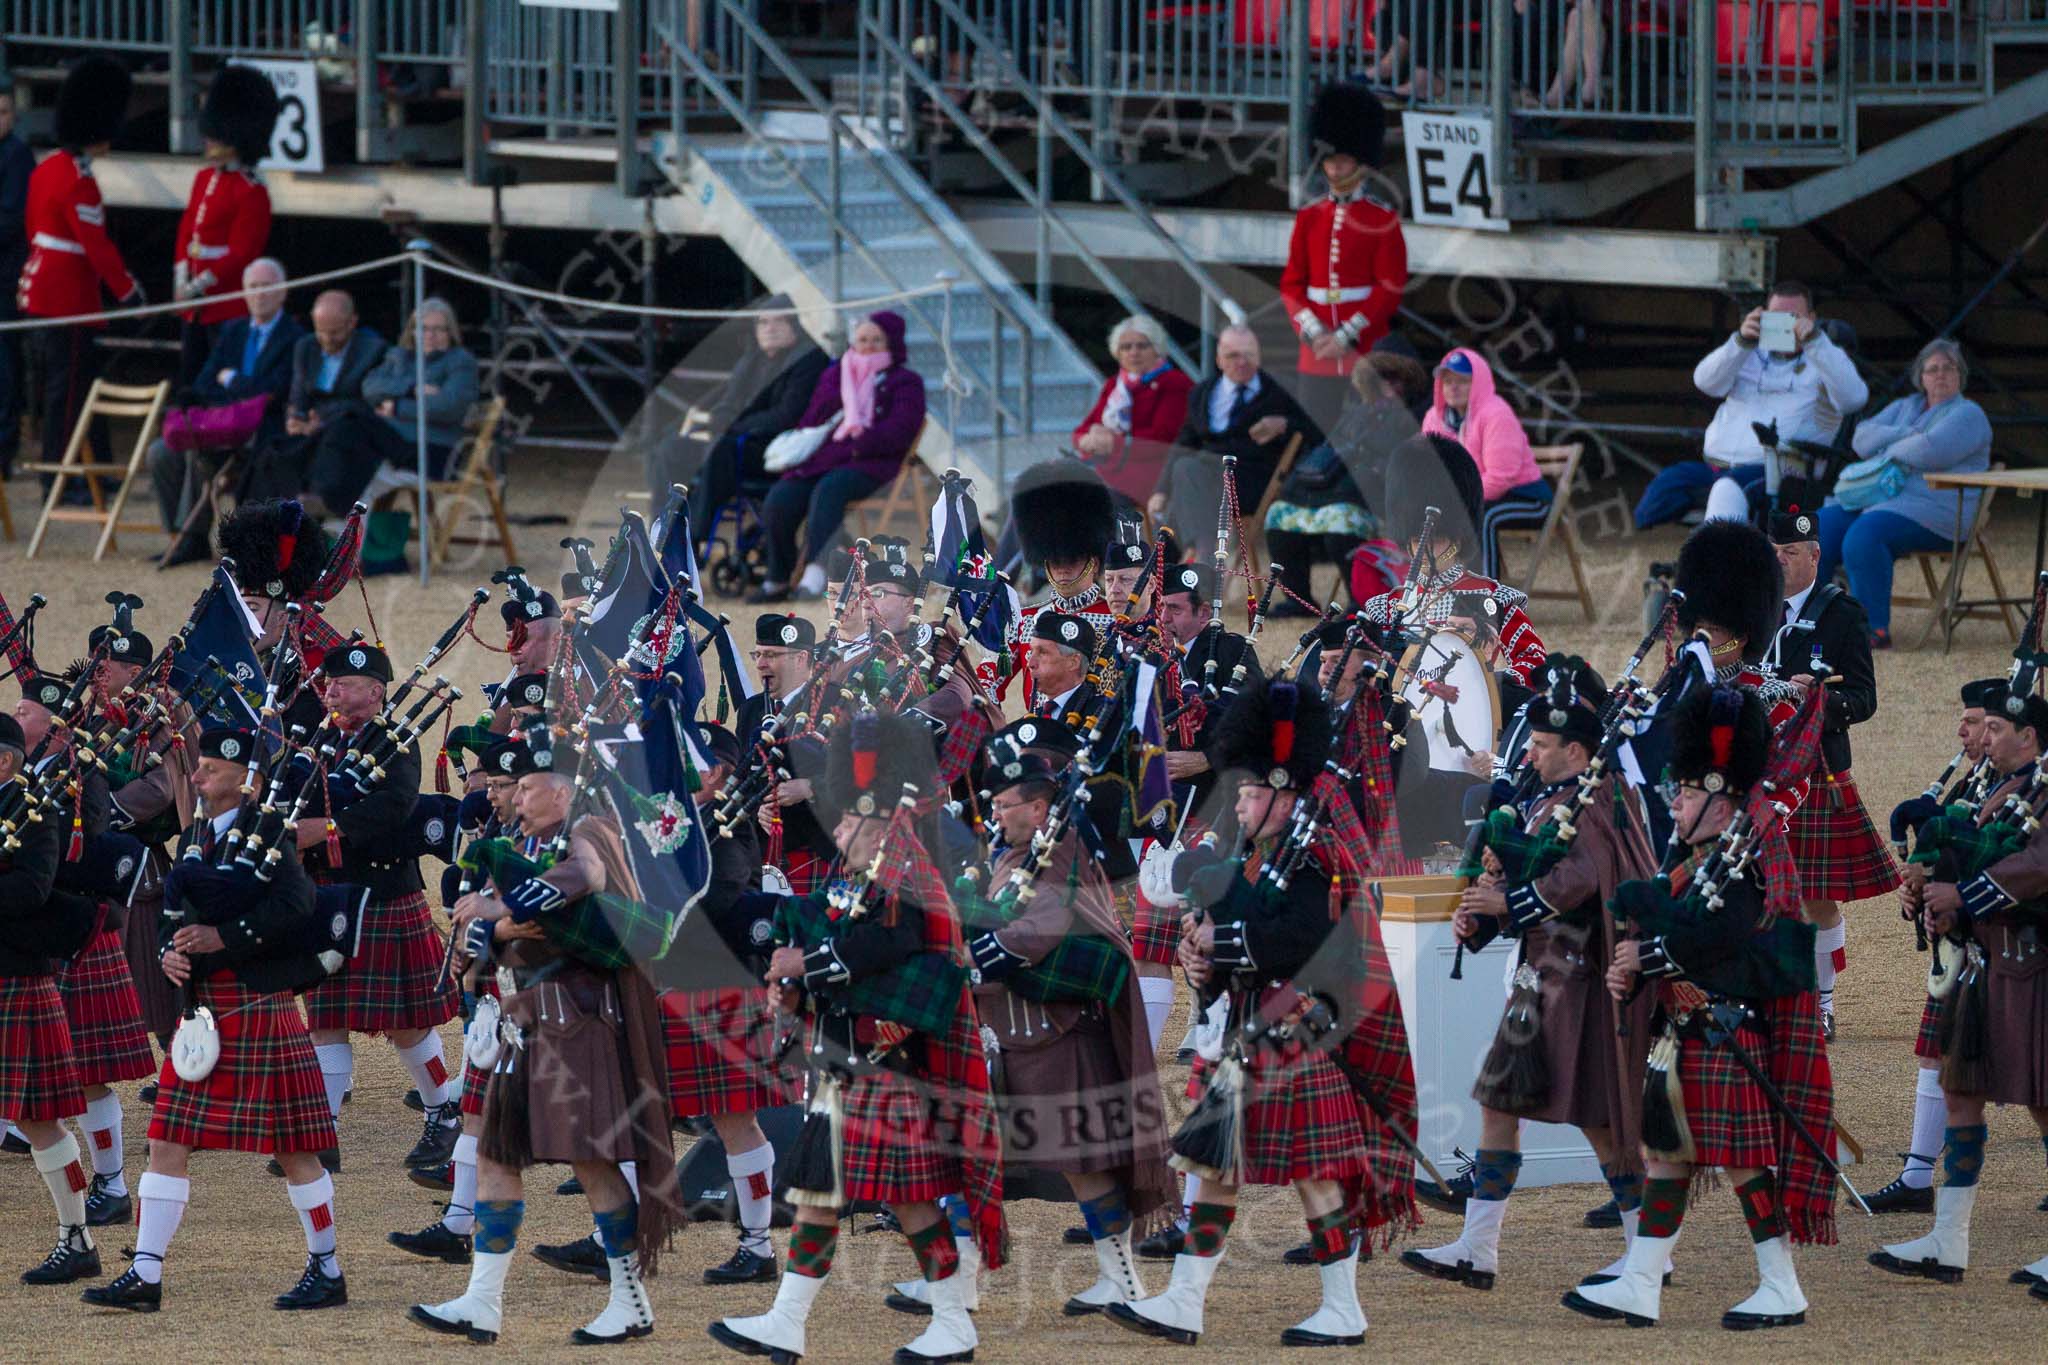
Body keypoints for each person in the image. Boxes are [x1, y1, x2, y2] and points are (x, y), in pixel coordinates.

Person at [1110, 674, 1419, 1348]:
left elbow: (1301, 940)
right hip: (1254, 1030)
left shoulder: (1315, 855)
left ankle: (1342, 1308)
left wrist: (1219, 941)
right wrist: (1202, 963)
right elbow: (1239, 938)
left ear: (1285, 793)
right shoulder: (1256, 855)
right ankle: (1186, 1301)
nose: (1241, 805)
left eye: (1251, 794)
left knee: (1313, 1175)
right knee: (1218, 1168)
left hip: (1296, 1030)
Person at [709, 712, 1005, 1365]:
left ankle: (954, 1323)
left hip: (887, 1062)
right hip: (848, 1062)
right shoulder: (863, 870)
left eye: (847, 821)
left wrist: (807, 965)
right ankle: (786, 1322)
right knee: (819, 1194)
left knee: (912, 1199)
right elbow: (835, 930)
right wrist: (794, 978)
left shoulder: (906, 865)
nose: (838, 830)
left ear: (877, 820)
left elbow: (896, 944)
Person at [1575, 683, 1833, 1332]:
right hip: (1689, 1032)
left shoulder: (1745, 864)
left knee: (1744, 1163)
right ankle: (1641, 1283)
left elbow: (1720, 938)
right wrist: (1639, 959)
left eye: (1687, 795)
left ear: (1720, 801)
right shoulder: (1701, 860)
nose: (1676, 804)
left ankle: (1781, 1286)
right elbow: (1684, 931)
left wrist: (1647, 954)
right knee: (1667, 1157)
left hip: (1726, 1031)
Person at [412, 729, 681, 1346]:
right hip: (522, 1022)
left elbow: (586, 877)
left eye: (528, 787)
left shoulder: (589, 830)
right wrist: (484, 936)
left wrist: (499, 916)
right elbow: (493, 940)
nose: (516, 797)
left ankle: (630, 1301)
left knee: (593, 1162)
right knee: (495, 1155)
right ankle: (482, 1302)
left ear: (561, 791)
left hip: (575, 1023)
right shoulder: (521, 843)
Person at [1406, 657, 1657, 1295]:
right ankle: (1477, 1248)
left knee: (1600, 1120)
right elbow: (1530, 873)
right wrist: (1482, 918)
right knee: (1499, 1101)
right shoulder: (1547, 798)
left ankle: (1648, 1252)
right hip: (1537, 979)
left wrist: (1506, 903)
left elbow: (1583, 880)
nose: (1530, 753)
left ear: (1575, 750)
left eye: (1542, 745)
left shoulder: (1601, 800)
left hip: (1581, 977)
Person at [81, 727, 348, 1314]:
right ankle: (145, 1273)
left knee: (295, 1148)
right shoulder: (198, 832)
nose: (197, 777)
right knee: (165, 1139)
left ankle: (326, 1268)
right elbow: (175, 914)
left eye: (209, 769)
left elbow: (297, 906)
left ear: (246, 779)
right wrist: (168, 953)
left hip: (255, 1005)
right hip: (203, 1010)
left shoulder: (269, 830)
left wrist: (223, 937)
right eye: (198, 767)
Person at [937, 748, 1175, 1317]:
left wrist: (966, 961)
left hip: (1054, 1032)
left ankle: (1122, 1282)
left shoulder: (1060, 853)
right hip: (1009, 1031)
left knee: (1081, 1163)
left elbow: (1034, 933)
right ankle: (956, 1283)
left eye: (1005, 804)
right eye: (994, 803)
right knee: (968, 1155)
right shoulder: (1010, 853)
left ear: (1039, 807)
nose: (996, 813)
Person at [1879, 679, 2048, 1293]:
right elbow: (1968, 855)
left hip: (2031, 964)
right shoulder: (1990, 785)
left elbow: (2036, 867)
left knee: (2045, 1102)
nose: (1984, 738)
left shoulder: (2044, 790)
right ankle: (1948, 1239)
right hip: (1984, 963)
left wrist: (1964, 897)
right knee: (1960, 1091)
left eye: (1997, 728)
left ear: (2029, 736)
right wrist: (1938, 902)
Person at [289, 644, 461, 1174]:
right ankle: (324, 1133)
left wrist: (328, 829)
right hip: (328, 894)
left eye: (343, 683)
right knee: (325, 1020)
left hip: (383, 893)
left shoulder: (396, 742)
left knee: (406, 1025)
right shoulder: (318, 738)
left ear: (376, 692)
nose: (332, 690)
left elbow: (395, 807)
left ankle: (443, 1112)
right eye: (329, 682)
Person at [656, 720, 798, 1287]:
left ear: (716, 771)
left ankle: (758, 1245)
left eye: (688, 760)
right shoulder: (673, 820)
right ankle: (613, 1234)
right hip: (670, 984)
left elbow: (718, 897)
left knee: (735, 1120)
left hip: (720, 989)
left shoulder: (730, 827)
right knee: (634, 1112)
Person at [1762, 506, 1896, 1039]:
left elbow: (1863, 699)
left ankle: (1822, 1003)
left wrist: (1818, 698)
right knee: (1751, 887)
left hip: (1814, 768)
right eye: (1773, 552)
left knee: (1815, 895)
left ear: (1815, 555)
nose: (1780, 561)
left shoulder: (1842, 614)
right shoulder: (1751, 605)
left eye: (1791, 553)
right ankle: (1770, 998)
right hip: (1755, 764)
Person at [1867, 677, 1999, 1215]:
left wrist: (1952, 894)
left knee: (2033, 1074)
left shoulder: (2024, 791)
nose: (1962, 731)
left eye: (1975, 722)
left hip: (2009, 945)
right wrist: (1918, 892)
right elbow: (1947, 855)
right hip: (1964, 946)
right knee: (1937, 1055)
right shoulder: (1972, 783)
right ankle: (1918, 1177)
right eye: (1964, 721)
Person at [0, 710, 101, 1289]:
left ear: (4, 760)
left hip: (14, 978)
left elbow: (32, 890)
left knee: (38, 1119)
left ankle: (77, 1237)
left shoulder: (34, 811)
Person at [1635, 281, 1866, 530]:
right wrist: (1741, 341)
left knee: (1729, 488)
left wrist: (1814, 341)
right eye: (1776, 317)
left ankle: (1719, 553)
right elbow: (1704, 382)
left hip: (1782, 473)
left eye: (1793, 317)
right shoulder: (1748, 352)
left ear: (1811, 318)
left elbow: (1854, 399)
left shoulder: (1826, 358)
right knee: (1661, 492)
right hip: (1718, 465)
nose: (1785, 325)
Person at [1818, 338, 1992, 649]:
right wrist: (1907, 434)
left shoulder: (1969, 414)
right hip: (1879, 500)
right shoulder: (1905, 407)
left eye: (1949, 368)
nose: (1941, 374)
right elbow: (1860, 440)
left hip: (1937, 511)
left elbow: (1931, 450)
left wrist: (1886, 447)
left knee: (1864, 536)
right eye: (1933, 369)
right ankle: (1809, 621)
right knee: (1816, 529)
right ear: (1920, 377)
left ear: (1961, 375)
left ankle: (1871, 629)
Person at [18, 57, 142, 489]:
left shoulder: (48, 167)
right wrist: (127, 292)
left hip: (41, 289)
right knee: (69, 395)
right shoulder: (78, 179)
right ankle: (63, 480)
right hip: (67, 297)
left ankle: (91, 473)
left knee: (76, 388)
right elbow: (97, 247)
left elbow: (33, 228)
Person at [753, 311, 926, 602]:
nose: (868, 346)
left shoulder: (905, 382)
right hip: (826, 458)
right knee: (781, 497)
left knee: (829, 490)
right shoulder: (836, 374)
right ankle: (778, 576)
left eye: (876, 340)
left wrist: (858, 442)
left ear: (891, 343)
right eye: (862, 340)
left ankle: (817, 571)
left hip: (872, 461)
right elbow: (812, 419)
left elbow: (900, 431)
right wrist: (845, 391)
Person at [150, 257, 304, 563]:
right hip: (221, 424)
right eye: (253, 287)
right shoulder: (233, 330)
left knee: (198, 453)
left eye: (267, 286)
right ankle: (183, 538)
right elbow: (204, 383)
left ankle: (191, 537)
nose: (259, 294)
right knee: (160, 452)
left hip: (262, 430)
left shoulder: (296, 337)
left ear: (283, 291)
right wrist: (240, 391)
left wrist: (232, 380)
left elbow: (277, 390)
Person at [1265, 338, 1427, 614]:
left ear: (1409, 380)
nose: (1387, 384)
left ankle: (1361, 597)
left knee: (1341, 522)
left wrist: (1364, 449)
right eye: (1380, 377)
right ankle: (1298, 600)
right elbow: (1330, 450)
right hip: (1334, 492)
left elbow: (1403, 462)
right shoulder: (1358, 411)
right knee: (1278, 516)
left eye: (1395, 377)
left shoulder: (1415, 415)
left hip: (1380, 498)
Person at [1280, 82, 1406, 431]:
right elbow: (1292, 284)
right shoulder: (1309, 217)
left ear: (1361, 163)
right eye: (1330, 162)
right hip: (1316, 353)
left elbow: (1389, 288)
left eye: (1343, 161)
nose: (1335, 170)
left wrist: (1345, 336)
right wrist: (1313, 333)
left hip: (1363, 350)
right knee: (1314, 434)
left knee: (1367, 436)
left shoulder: (1381, 219)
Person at [652, 296, 827, 528]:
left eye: (779, 321)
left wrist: (731, 427)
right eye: (763, 322)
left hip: (773, 449)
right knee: (671, 448)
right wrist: (719, 421)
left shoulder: (808, 361)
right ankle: (666, 530)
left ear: (794, 325)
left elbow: (787, 416)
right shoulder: (751, 360)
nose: (770, 329)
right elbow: (729, 403)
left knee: (720, 450)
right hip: (733, 441)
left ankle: (695, 531)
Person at [1151, 325, 1320, 556]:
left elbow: (1316, 431)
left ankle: (1184, 564)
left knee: (1186, 477)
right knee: (1187, 476)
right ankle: (1195, 563)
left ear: (1258, 357)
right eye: (1232, 356)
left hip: (1253, 480)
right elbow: (1184, 443)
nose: (1241, 362)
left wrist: (1284, 424)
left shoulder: (1282, 390)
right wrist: (1161, 490)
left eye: (1248, 355)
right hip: (1204, 478)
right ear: (1219, 360)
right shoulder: (1202, 393)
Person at [314, 296, 481, 515]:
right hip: (391, 444)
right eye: (423, 328)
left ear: (451, 332)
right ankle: (328, 498)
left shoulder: (460, 361)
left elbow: (448, 407)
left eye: (439, 329)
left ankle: (327, 499)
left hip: (431, 450)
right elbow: (370, 386)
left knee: (351, 423)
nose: (430, 335)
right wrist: (412, 389)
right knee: (347, 429)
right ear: (413, 332)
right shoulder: (400, 356)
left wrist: (397, 408)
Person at [173, 64, 278, 386]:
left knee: (220, 382)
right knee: (189, 378)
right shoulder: (204, 178)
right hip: (195, 303)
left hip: (225, 303)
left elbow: (242, 252)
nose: (207, 141)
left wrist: (198, 285)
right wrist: (181, 277)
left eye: (215, 136)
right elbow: (187, 230)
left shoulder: (251, 191)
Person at [244, 289, 388, 503]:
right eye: (321, 331)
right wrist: (296, 418)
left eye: (335, 332)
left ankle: (319, 501)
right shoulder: (306, 347)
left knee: (335, 442)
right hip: (310, 429)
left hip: (348, 431)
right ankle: (257, 512)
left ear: (352, 323)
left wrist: (322, 423)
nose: (327, 339)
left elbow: (365, 403)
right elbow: (298, 394)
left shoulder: (373, 351)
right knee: (270, 452)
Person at [999, 458, 1120, 706]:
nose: (1063, 568)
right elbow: (987, 683)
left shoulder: (1118, 621)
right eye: (1055, 561)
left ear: (1094, 562)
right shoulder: (1024, 621)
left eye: (1072, 560)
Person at [1422, 348, 1549, 582]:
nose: (1453, 387)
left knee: (1484, 516)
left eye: (1462, 381)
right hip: (1472, 497)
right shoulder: (1434, 417)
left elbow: (1501, 478)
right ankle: (1432, 592)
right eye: (1447, 381)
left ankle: (1483, 593)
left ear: (1478, 383)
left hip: (1526, 498)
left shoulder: (1496, 414)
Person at [1071, 314, 1193, 507]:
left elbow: (1162, 439)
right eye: (1126, 347)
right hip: (1110, 469)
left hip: (1152, 475)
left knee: (1093, 502)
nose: (1134, 353)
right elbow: (1082, 430)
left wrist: (1114, 444)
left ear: (1157, 349)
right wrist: (1087, 440)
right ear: (1117, 353)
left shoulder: (1175, 383)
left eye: (1142, 346)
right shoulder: (1115, 385)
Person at [0, 86, 34, 477]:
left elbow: (12, 219)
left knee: (5, 368)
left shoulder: (17, 155)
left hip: (5, 278)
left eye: (5, 112)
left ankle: (4, 450)